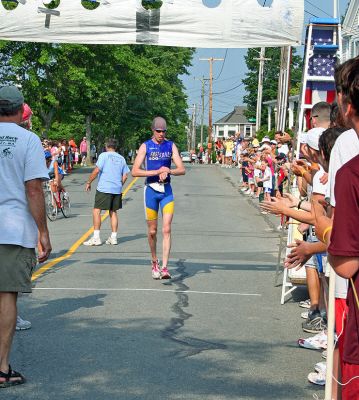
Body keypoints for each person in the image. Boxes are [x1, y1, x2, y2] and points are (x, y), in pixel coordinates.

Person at [0, 85, 51, 388]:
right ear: (21, 112)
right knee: (6, 295)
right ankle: (2, 367)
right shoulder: (29, 140)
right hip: (12, 228)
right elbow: (34, 189)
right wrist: (43, 232)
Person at [132, 116, 185, 279]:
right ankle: (154, 261)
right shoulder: (145, 146)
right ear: (153, 130)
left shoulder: (171, 145)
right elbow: (135, 171)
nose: (161, 134)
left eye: (164, 131)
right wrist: (156, 172)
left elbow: (181, 169)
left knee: (167, 228)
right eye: (158, 131)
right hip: (151, 191)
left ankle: (165, 267)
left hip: (166, 191)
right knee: (153, 231)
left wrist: (169, 171)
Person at [83, 138, 129, 246]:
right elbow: (125, 175)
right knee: (113, 212)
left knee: (96, 210)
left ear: (106, 146)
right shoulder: (121, 158)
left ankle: (96, 237)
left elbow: (97, 170)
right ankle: (113, 237)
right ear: (116, 147)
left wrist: (89, 182)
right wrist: (119, 184)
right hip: (116, 188)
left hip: (104, 187)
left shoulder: (104, 156)